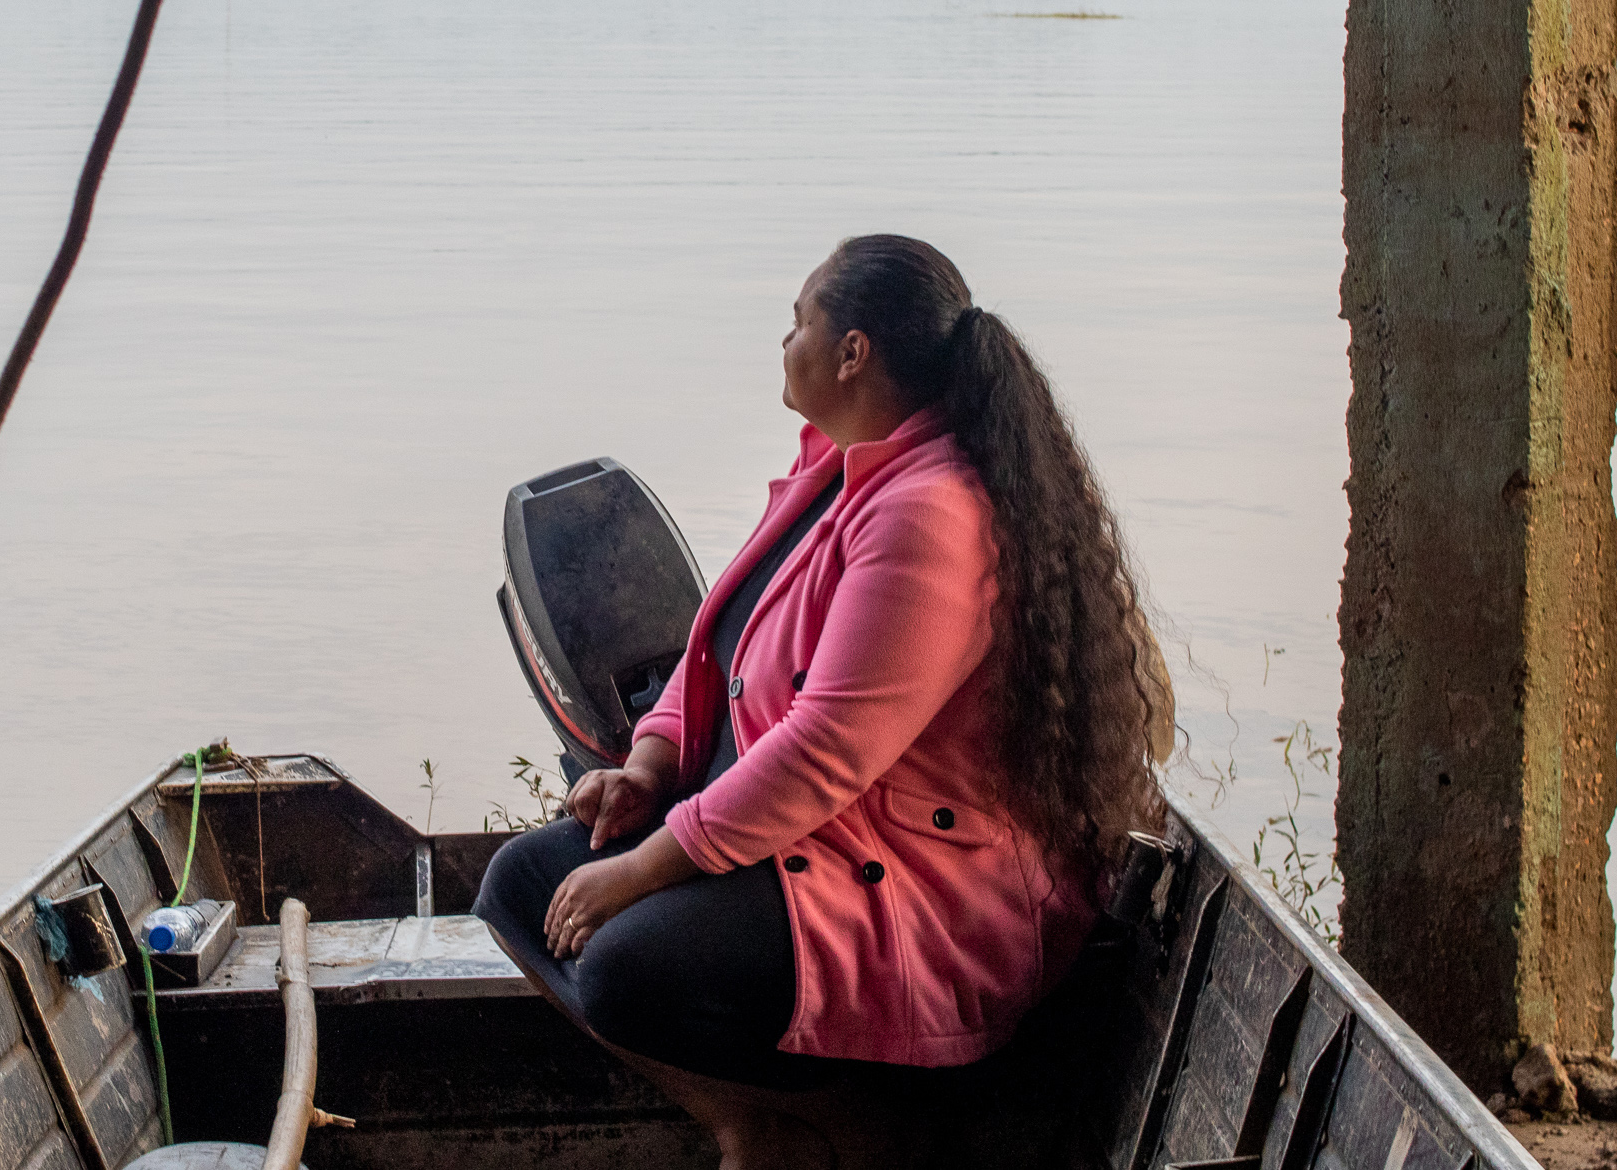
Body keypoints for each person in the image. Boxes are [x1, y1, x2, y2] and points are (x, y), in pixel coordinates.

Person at [474, 234, 1172, 1168]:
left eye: (800, 319)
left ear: (854, 351)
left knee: (625, 966)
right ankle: (753, 1123)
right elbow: (722, 651)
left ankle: (867, 1129)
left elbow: (825, 751)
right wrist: (647, 766)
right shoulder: (832, 467)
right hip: (793, 838)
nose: (784, 339)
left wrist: (645, 871)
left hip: (902, 877)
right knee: (519, 884)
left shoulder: (928, 512)